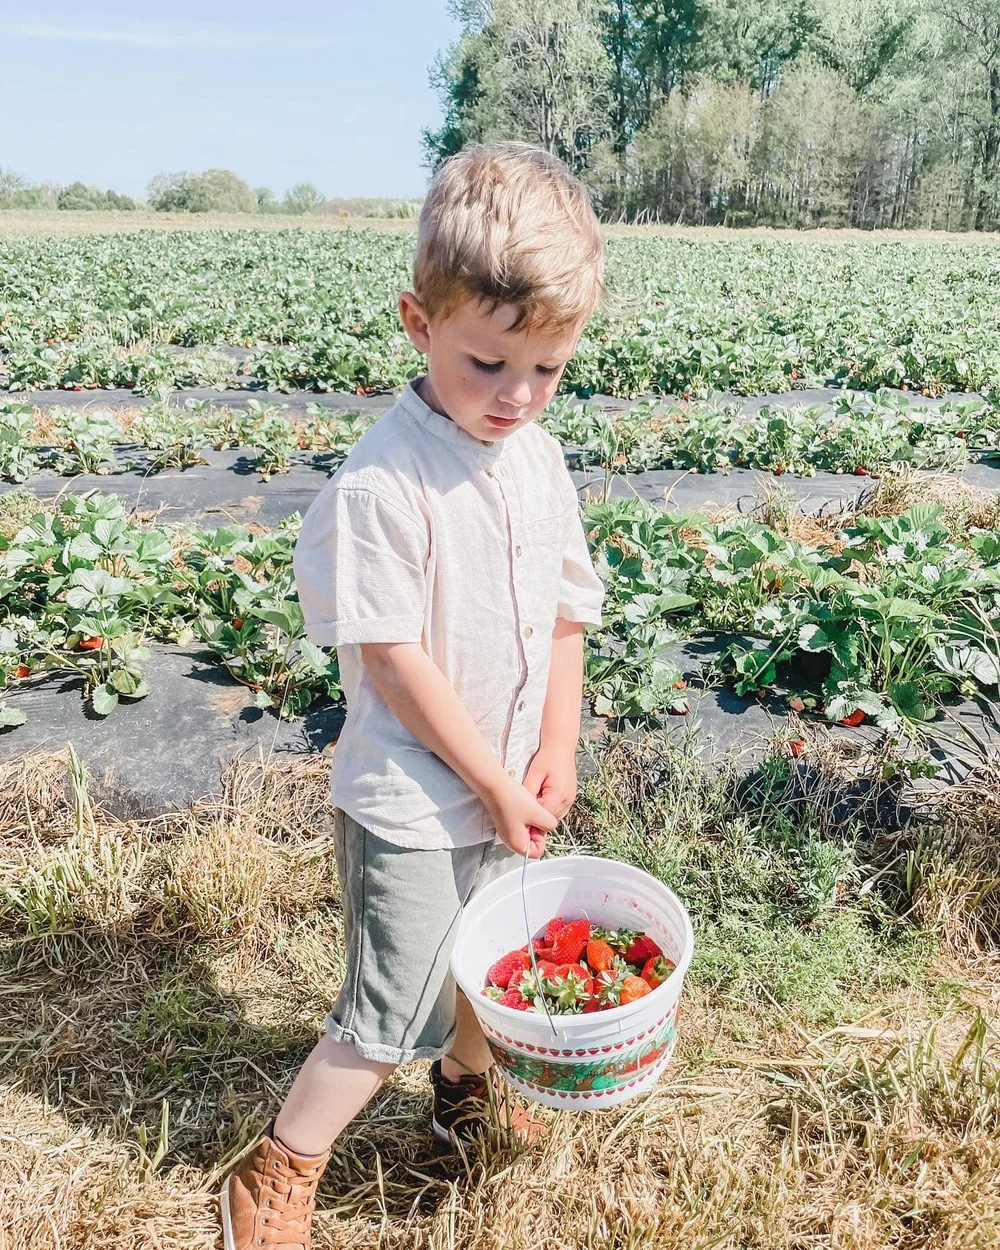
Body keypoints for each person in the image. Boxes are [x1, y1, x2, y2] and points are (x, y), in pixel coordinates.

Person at [218, 140, 606, 1250]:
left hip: (506, 782)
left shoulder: (537, 458)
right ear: (418, 323)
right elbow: (394, 658)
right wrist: (490, 779)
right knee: (393, 1007)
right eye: (488, 362)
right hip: (414, 800)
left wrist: (556, 743)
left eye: (547, 369)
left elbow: (567, 609)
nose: (518, 395)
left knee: (488, 967)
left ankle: (462, 1099)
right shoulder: (383, 484)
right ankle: (277, 1169)